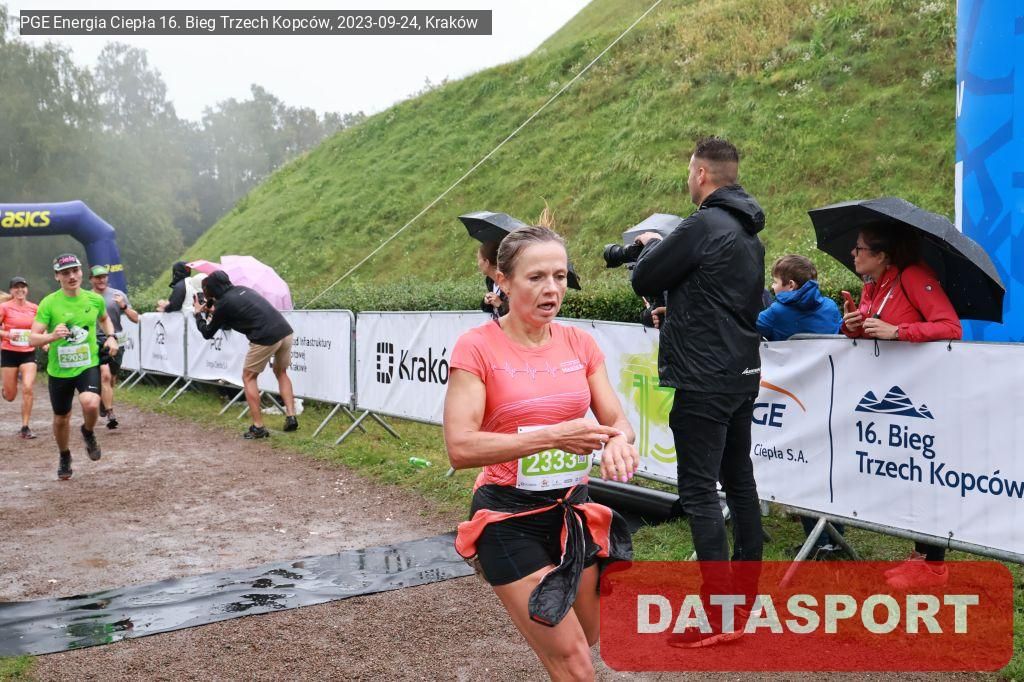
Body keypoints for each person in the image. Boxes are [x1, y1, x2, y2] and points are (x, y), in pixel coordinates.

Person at [444, 225, 638, 680]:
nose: (552, 288)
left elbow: (617, 420)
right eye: (536, 277)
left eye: (560, 276)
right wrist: (553, 437)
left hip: (573, 514)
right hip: (508, 519)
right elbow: (460, 446)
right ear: (503, 281)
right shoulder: (477, 346)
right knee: (572, 658)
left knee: (587, 636)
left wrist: (618, 442)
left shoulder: (579, 344)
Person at [630, 137, 765, 644]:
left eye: (690, 172)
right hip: (741, 372)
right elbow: (728, 300)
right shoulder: (749, 233)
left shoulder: (703, 224)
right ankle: (742, 605)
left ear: (702, 174)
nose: (688, 180)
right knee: (740, 484)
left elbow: (645, 276)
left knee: (699, 491)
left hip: (705, 379)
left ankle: (720, 615)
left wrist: (649, 246)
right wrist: (682, 309)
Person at [840, 224, 961, 588]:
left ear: (882, 255)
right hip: (894, 395)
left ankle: (934, 565)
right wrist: (852, 326)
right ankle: (921, 556)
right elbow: (872, 327)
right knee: (911, 476)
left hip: (925, 394)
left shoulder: (913, 276)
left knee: (926, 474)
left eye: (860, 248)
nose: (853, 254)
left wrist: (898, 332)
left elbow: (950, 327)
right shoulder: (872, 284)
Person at [30, 254, 118, 480]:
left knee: (91, 403)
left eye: (75, 271)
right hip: (59, 370)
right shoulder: (49, 303)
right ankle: (64, 454)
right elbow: (33, 338)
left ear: (81, 272)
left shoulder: (94, 300)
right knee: (61, 418)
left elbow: (104, 319)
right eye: (65, 272)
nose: (71, 276)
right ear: (57, 276)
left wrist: (111, 337)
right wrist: (51, 336)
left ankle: (87, 431)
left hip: (88, 364)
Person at [193, 270, 298, 438]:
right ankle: (291, 416)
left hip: (266, 336)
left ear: (212, 289)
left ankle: (258, 427)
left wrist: (198, 315)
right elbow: (234, 317)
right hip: (285, 331)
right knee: (281, 372)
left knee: (248, 377)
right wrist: (214, 311)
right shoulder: (243, 289)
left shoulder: (223, 304)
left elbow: (207, 333)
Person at [89, 265, 139, 429]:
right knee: (104, 375)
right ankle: (111, 413)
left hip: (117, 340)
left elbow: (135, 318)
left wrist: (124, 306)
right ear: (91, 279)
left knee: (111, 379)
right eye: (98, 277)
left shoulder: (118, 295)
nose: (101, 280)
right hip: (96, 340)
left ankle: (104, 401)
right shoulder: (86, 297)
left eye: (104, 276)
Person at [757, 255, 842, 341]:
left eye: (775, 282)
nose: (772, 286)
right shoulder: (831, 306)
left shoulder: (775, 312)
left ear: (791, 285)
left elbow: (751, 329)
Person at [1, 277, 40, 439]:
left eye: (22, 287)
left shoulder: (34, 308)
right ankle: (6, 390)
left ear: (27, 289)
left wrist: (44, 342)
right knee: (10, 396)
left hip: (28, 353)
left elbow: (40, 329)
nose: (20, 290)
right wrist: (7, 334)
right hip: (9, 353)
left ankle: (25, 427)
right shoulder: (4, 307)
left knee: (28, 387)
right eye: (16, 287)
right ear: (11, 291)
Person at [477, 239, 508, 319]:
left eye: (479, 260)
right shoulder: (490, 281)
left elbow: (516, 314)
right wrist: (486, 301)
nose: (478, 264)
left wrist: (500, 305)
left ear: (487, 262)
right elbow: (487, 308)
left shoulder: (508, 282)